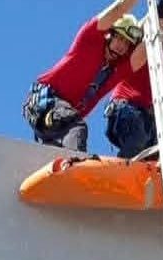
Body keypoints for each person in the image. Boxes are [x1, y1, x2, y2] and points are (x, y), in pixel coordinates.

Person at [22, 0, 148, 152]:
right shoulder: (89, 41)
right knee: (77, 127)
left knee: (61, 147)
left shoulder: (114, 71)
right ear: (109, 35)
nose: (121, 46)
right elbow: (118, 9)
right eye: (119, 38)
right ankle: (75, 167)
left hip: (60, 120)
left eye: (127, 43)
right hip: (44, 101)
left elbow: (145, 50)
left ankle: (67, 167)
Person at [105, 0, 163, 158]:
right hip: (125, 107)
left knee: (158, 157)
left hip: (150, 116)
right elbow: (147, 27)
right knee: (137, 140)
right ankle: (125, 172)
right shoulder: (144, 44)